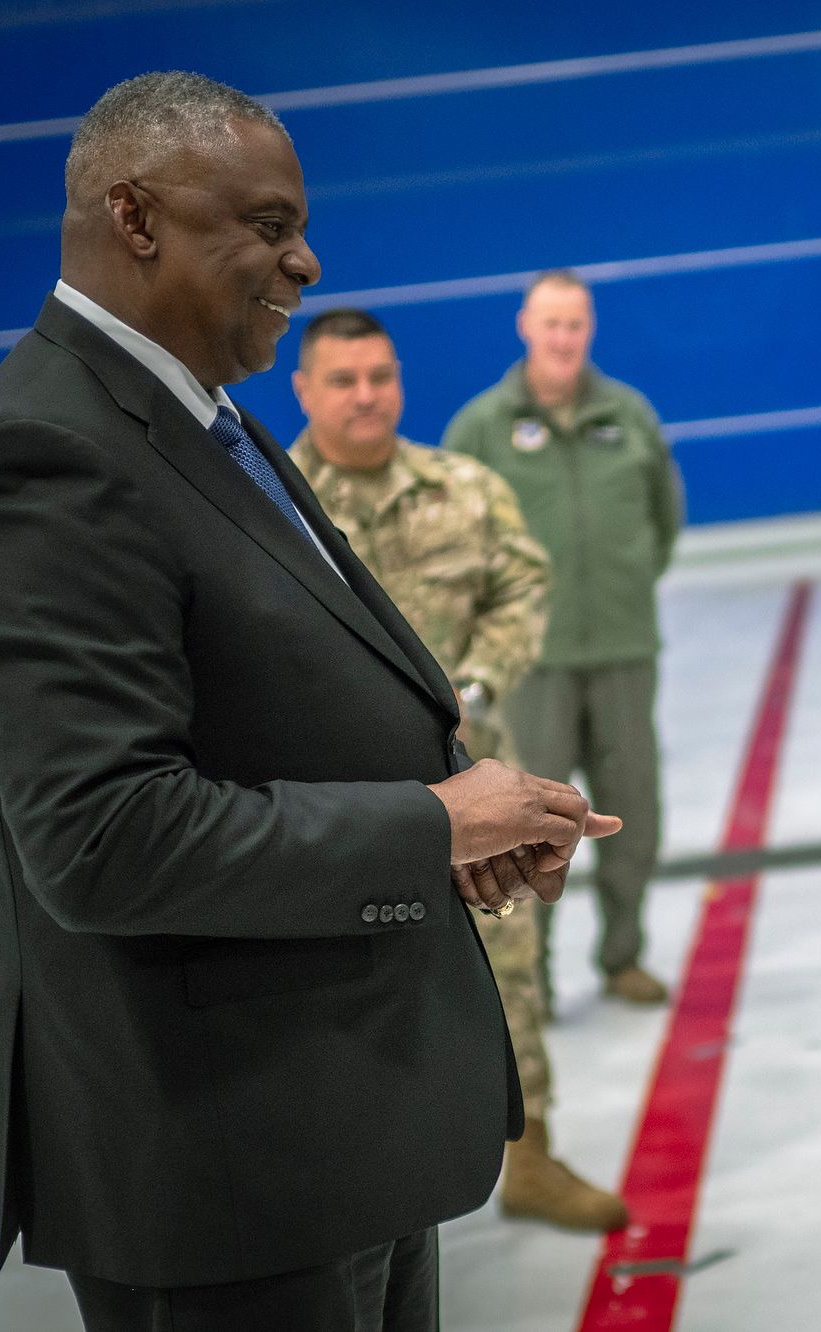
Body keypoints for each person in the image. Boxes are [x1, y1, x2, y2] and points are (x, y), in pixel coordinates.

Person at [0, 72, 619, 1332]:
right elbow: (104, 840)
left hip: (337, 1131)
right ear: (135, 217)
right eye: (269, 225)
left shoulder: (194, 420)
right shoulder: (47, 460)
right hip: (226, 1168)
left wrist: (441, 839)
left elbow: (271, 711)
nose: (306, 258)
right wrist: (431, 826)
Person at [289, 307, 628, 1232]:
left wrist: (473, 681)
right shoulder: (273, 512)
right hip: (345, 805)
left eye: (381, 376)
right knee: (346, 991)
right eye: (345, 380)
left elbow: (523, 585)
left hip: (484, 787)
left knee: (511, 968)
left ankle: (533, 1158)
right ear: (304, 390)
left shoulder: (465, 489)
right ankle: (359, 1185)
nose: (367, 396)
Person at [445, 270, 682, 1007]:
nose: (563, 337)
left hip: (621, 648)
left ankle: (621, 956)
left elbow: (663, 519)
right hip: (531, 667)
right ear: (525, 326)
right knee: (528, 825)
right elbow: (457, 543)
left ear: (590, 329)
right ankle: (534, 977)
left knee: (631, 808)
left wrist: (629, 583)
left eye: (575, 324)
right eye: (550, 323)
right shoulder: (482, 427)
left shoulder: (629, 414)